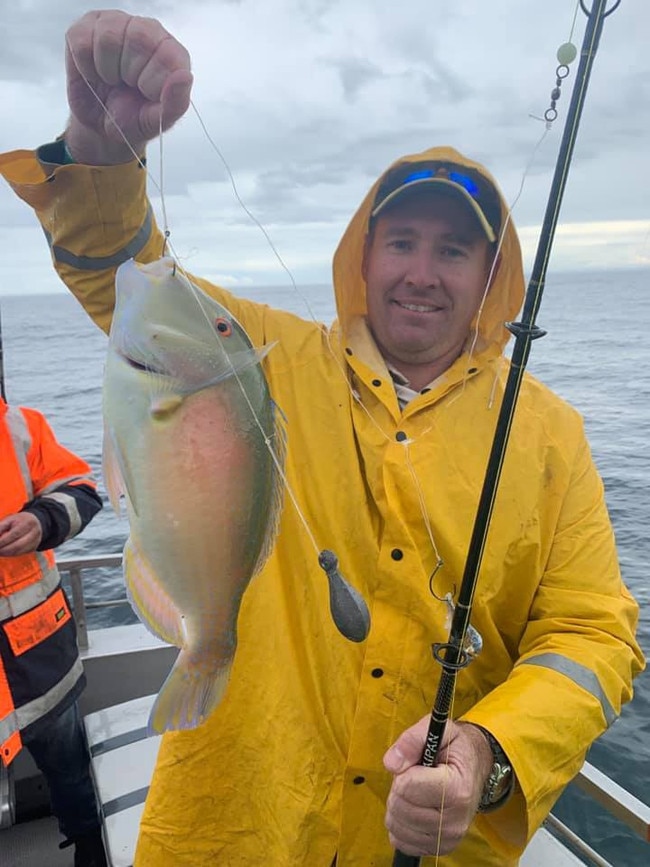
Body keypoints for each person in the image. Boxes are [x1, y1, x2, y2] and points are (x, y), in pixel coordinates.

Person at [0, 10, 644, 866]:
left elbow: (593, 630)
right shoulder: (256, 355)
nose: (421, 271)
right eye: (401, 241)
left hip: (436, 837)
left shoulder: (550, 431)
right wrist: (103, 147)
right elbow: (120, 269)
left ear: (494, 276)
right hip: (241, 822)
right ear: (361, 255)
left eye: (454, 250)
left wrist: (494, 748)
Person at [0, 394, 107, 867]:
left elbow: (82, 489)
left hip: (40, 656)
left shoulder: (19, 426)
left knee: (68, 769)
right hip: (39, 653)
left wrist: (42, 519)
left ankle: (88, 846)